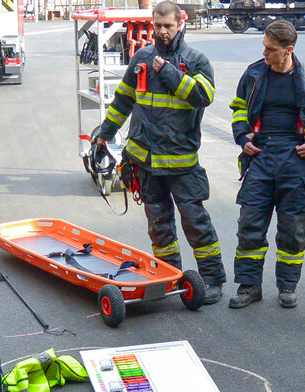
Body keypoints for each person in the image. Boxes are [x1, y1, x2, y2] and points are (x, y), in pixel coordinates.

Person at [93, 1, 226, 304]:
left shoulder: (197, 61)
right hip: (146, 163)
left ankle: (212, 279)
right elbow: (123, 101)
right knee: (159, 228)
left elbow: (202, 96)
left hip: (182, 164)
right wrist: (105, 134)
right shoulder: (141, 58)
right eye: (158, 25)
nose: (162, 31)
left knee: (196, 223)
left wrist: (168, 72)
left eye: (168, 26)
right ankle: (170, 277)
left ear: (181, 24)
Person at [229, 20, 305, 309]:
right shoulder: (253, 74)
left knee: (291, 229)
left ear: (288, 51)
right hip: (260, 158)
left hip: (296, 161)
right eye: (264, 47)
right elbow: (239, 108)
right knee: (250, 225)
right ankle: (249, 286)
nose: (264, 53)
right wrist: (242, 136)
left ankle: (287, 286)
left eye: (270, 49)